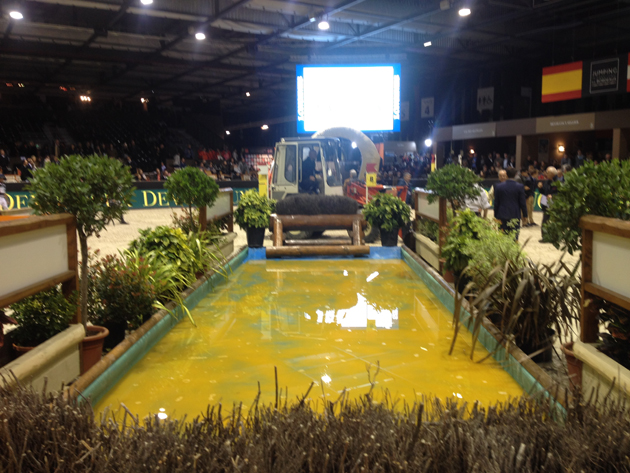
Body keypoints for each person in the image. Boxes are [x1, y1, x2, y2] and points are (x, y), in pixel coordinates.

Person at [494, 167, 527, 241]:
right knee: (514, 236)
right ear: (515, 175)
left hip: (502, 214)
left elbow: (496, 202)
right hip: (514, 214)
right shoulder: (520, 186)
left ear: (506, 175)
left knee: (502, 236)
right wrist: (525, 215)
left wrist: (496, 215)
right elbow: (522, 202)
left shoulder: (498, 187)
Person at [537, 166, 559, 243]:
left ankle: (555, 237)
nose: (545, 173)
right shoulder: (546, 182)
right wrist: (540, 188)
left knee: (554, 221)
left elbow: (560, 193)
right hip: (546, 204)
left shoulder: (558, 182)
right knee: (545, 221)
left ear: (552, 173)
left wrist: (553, 196)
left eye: (547, 172)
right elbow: (543, 192)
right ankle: (544, 237)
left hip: (555, 204)